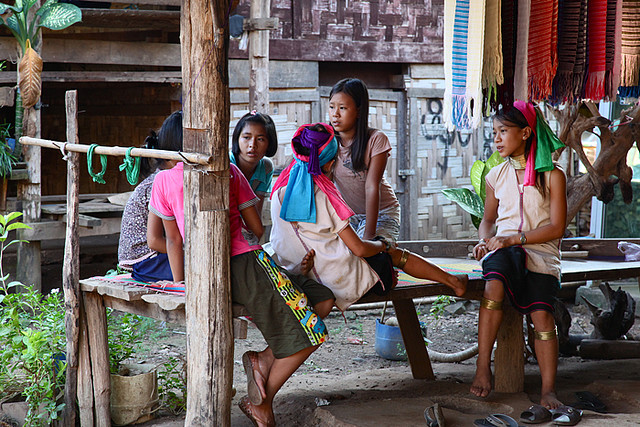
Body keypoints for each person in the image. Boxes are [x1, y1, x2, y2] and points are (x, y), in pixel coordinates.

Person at [147, 115, 335, 427]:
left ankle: (262, 360)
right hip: (246, 264)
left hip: (207, 271)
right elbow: (257, 227)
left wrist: (183, 284)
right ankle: (260, 403)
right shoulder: (229, 171)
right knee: (312, 332)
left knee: (322, 298)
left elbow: (172, 240)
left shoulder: (163, 181)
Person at [269, 123, 466, 312]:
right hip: (340, 285)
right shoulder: (324, 198)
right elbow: (360, 249)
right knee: (390, 254)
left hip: (298, 275)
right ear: (330, 163)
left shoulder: (278, 192)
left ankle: (451, 281)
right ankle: (453, 282)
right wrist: (384, 245)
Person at [470, 101, 567, 409]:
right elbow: (488, 219)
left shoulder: (552, 175)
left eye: (503, 131)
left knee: (542, 315)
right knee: (493, 284)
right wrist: (484, 241)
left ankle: (548, 391)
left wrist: (517, 237)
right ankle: (483, 366)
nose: (496, 139)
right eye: (494, 132)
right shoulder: (495, 175)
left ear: (525, 132)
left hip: (541, 253)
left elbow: (557, 228)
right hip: (504, 249)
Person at [329, 77, 401, 242]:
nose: (335, 114)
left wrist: (369, 236)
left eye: (343, 108)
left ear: (359, 111)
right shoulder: (328, 142)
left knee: (368, 256)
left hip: (382, 213)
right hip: (349, 216)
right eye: (332, 107)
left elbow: (371, 186)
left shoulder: (376, 139)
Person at [117, 110, 183, 282]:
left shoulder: (168, 178)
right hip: (147, 262)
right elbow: (154, 241)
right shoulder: (159, 183)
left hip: (159, 257)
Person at [230, 111, 278, 214]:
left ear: (269, 143)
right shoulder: (226, 165)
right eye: (247, 137)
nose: (252, 145)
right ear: (237, 138)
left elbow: (256, 214)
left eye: (260, 139)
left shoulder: (265, 168)